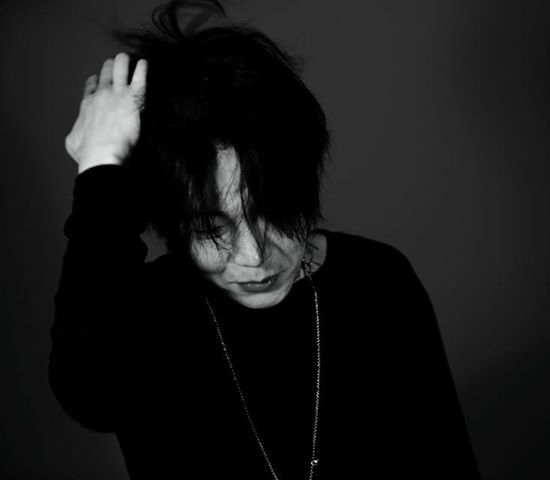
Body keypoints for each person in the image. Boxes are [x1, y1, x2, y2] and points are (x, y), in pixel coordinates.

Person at [49, 1, 481, 478]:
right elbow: (93, 398)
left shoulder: (378, 281)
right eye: (210, 228)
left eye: (274, 212)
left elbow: (450, 462)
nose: (255, 256)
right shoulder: (140, 309)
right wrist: (101, 169)